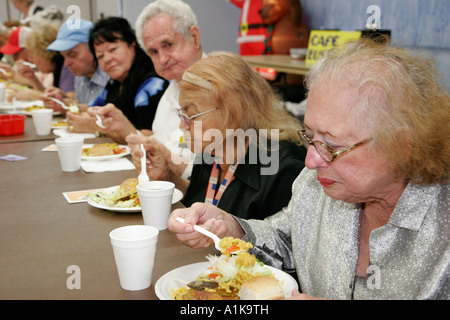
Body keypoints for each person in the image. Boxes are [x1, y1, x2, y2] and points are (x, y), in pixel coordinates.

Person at [168, 38, 450, 299]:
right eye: (310, 137)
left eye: (331, 145)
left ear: (400, 144)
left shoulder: (442, 228)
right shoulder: (317, 184)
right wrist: (232, 227)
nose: (310, 161)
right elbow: (287, 237)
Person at [138, 51, 306, 219]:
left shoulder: (283, 171)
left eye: (192, 116)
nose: (183, 125)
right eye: (182, 115)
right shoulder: (211, 149)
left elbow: (280, 242)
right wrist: (167, 176)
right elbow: (202, 201)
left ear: (234, 112)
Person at [94, 0, 202, 179]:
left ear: (194, 38)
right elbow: (159, 150)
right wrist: (128, 131)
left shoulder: (220, 91)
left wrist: (170, 162)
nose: (163, 59)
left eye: (168, 44)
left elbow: (221, 182)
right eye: (153, 52)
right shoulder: (170, 90)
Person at [73, 17, 169, 143]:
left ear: (132, 44)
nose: (106, 59)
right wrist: (71, 108)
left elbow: (148, 137)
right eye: (100, 56)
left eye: (113, 49)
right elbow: (94, 107)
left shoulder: (152, 83)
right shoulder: (116, 81)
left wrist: (97, 127)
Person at [45, 19, 110, 111]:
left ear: (94, 49)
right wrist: (62, 99)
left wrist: (72, 107)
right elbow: (83, 104)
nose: (66, 64)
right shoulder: (80, 76)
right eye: (63, 57)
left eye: (72, 55)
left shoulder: (112, 75)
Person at [20, 23, 75, 100]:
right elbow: (50, 94)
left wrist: (35, 95)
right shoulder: (57, 67)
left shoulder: (66, 66)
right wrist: (33, 79)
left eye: (33, 54)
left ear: (45, 53)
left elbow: (70, 102)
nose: (30, 59)